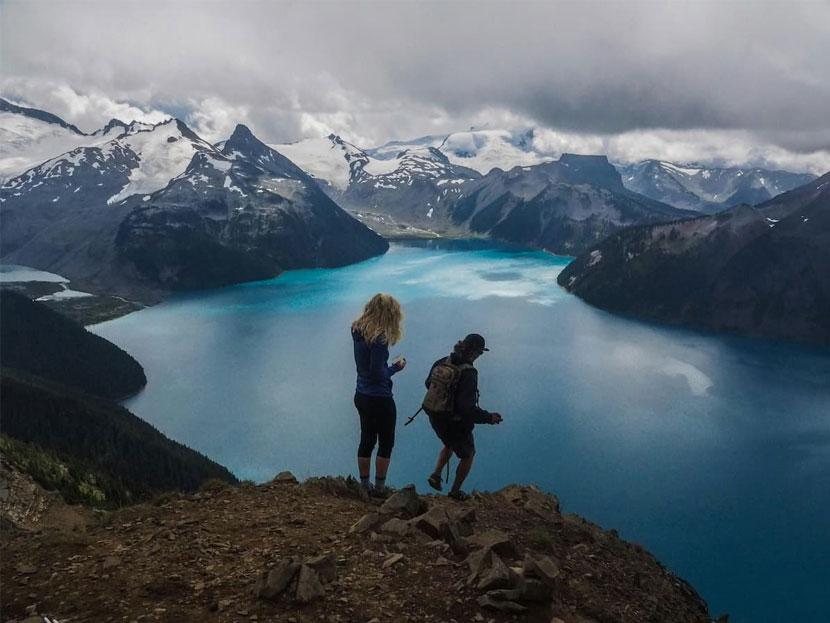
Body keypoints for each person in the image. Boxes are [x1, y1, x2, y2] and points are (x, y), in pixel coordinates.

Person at [424, 333, 502, 501]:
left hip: (435, 415)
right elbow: (466, 409)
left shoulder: (443, 361)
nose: (480, 356)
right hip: (454, 422)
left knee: (449, 443)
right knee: (468, 454)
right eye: (480, 353)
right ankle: (455, 492)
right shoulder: (469, 372)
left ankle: (436, 475)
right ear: (475, 352)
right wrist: (489, 418)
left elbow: (427, 383)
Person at [351, 293, 406, 497]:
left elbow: (366, 368)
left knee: (367, 438)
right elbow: (377, 373)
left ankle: (364, 487)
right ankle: (379, 489)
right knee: (386, 441)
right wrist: (395, 368)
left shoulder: (357, 330)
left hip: (361, 395)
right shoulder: (380, 338)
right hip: (380, 398)